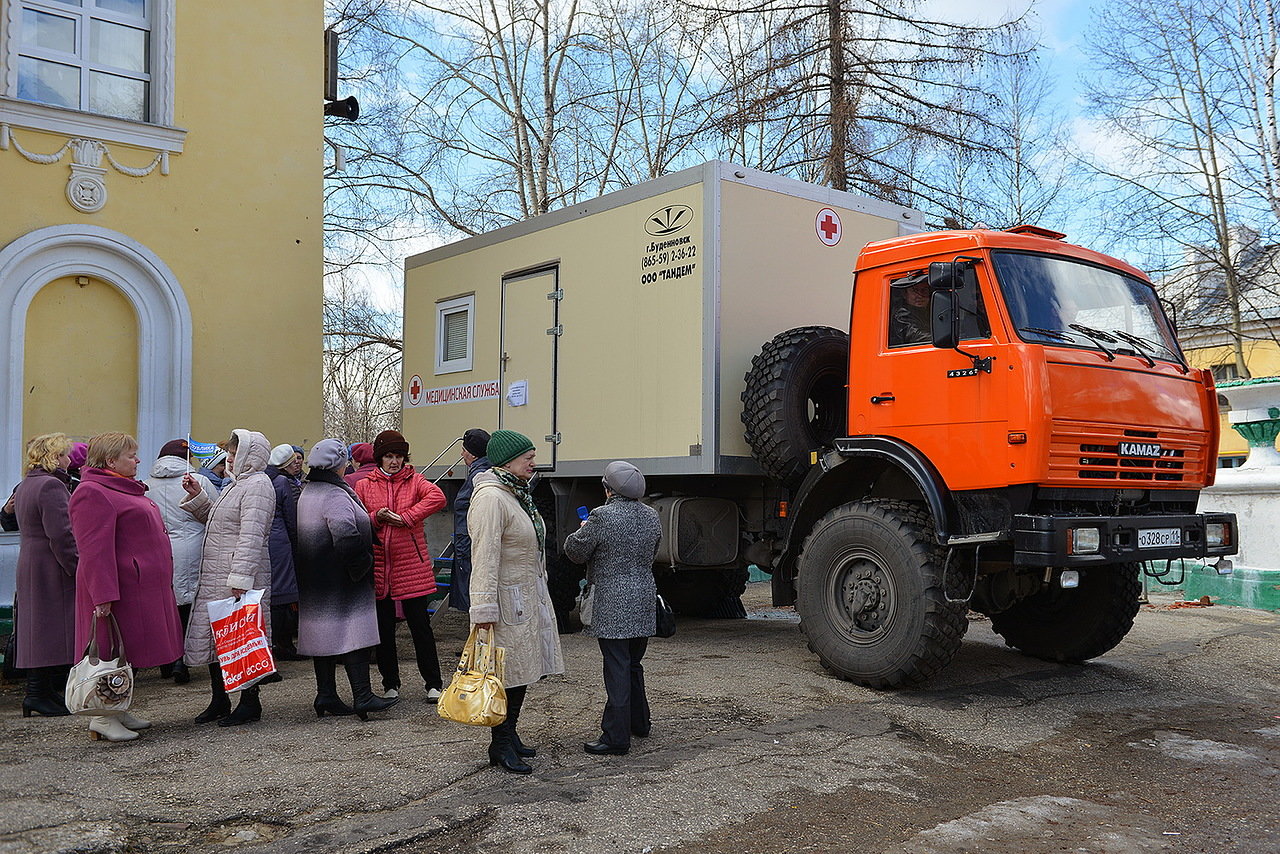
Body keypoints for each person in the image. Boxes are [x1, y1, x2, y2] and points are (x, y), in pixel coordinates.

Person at [68, 432, 184, 742]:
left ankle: (116, 708)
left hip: (137, 587)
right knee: (107, 651)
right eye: (131, 455)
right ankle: (102, 717)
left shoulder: (121, 488)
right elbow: (93, 550)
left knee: (125, 651)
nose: (137, 460)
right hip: (115, 590)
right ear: (110, 461)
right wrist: (102, 595)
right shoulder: (92, 492)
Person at [467, 429, 564, 774]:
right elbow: (485, 556)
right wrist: (482, 609)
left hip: (524, 596)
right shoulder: (492, 498)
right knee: (504, 675)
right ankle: (501, 743)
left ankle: (511, 734)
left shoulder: (516, 494)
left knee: (520, 671)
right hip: (505, 602)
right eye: (528, 458)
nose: (534, 463)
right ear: (508, 461)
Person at [563, 461, 662, 756]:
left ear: (608, 489)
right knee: (633, 662)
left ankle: (616, 736)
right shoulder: (651, 516)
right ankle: (639, 722)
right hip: (643, 595)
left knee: (616, 665)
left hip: (611, 601)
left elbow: (575, 552)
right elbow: (653, 551)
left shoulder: (601, 517)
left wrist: (581, 530)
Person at [295, 439, 398, 721]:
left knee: (323, 635)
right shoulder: (335, 494)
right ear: (339, 464)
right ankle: (363, 696)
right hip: (342, 579)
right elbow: (344, 534)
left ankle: (326, 693)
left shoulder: (309, 491)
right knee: (354, 634)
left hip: (316, 577)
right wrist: (362, 564)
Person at [180, 430, 276, 727]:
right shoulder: (238, 485)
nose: (230, 459)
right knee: (218, 638)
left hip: (234, 577)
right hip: (218, 575)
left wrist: (241, 577)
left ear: (251, 455)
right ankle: (220, 699)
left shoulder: (258, 485)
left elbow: (251, 534)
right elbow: (218, 523)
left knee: (242, 638)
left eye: (235, 454)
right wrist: (198, 496)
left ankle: (249, 702)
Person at [354, 430, 448, 702]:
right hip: (380, 566)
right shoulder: (364, 485)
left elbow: (437, 498)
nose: (394, 462)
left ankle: (433, 683)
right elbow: (358, 516)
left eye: (398, 456)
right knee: (384, 630)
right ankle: (390, 684)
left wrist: (407, 517)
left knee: (421, 627)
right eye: (388, 456)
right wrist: (376, 517)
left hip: (411, 566)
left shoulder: (415, 479)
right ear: (379, 458)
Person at [14, 433, 79, 717]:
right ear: (54, 457)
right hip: (50, 564)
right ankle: (38, 693)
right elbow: (62, 534)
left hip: (31, 560)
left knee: (36, 626)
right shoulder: (52, 485)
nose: (69, 459)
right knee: (50, 629)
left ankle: (40, 691)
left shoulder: (28, 483)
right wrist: (76, 567)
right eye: (65, 454)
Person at [144, 439, 217, 685]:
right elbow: (214, 513)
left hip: (159, 549)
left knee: (167, 603)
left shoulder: (146, 484)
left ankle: (166, 659)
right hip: (192, 546)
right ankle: (181, 660)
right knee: (189, 604)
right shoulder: (199, 481)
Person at [265, 443, 302, 660]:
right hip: (281, 543)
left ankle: (272, 643)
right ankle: (284, 645)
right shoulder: (281, 482)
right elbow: (291, 518)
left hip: (264, 542)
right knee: (283, 596)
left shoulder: (261, 478)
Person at [449, 428, 491, 613]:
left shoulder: (477, 476)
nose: (461, 454)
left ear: (472, 454)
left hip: (468, 542)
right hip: (469, 540)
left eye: (464, 450)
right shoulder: (485, 471)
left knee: (473, 589)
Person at [890, 277, 933, 347]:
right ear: (905, 294)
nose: (919, 295)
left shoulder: (931, 311)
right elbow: (914, 335)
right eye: (914, 290)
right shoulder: (901, 314)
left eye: (924, 290)